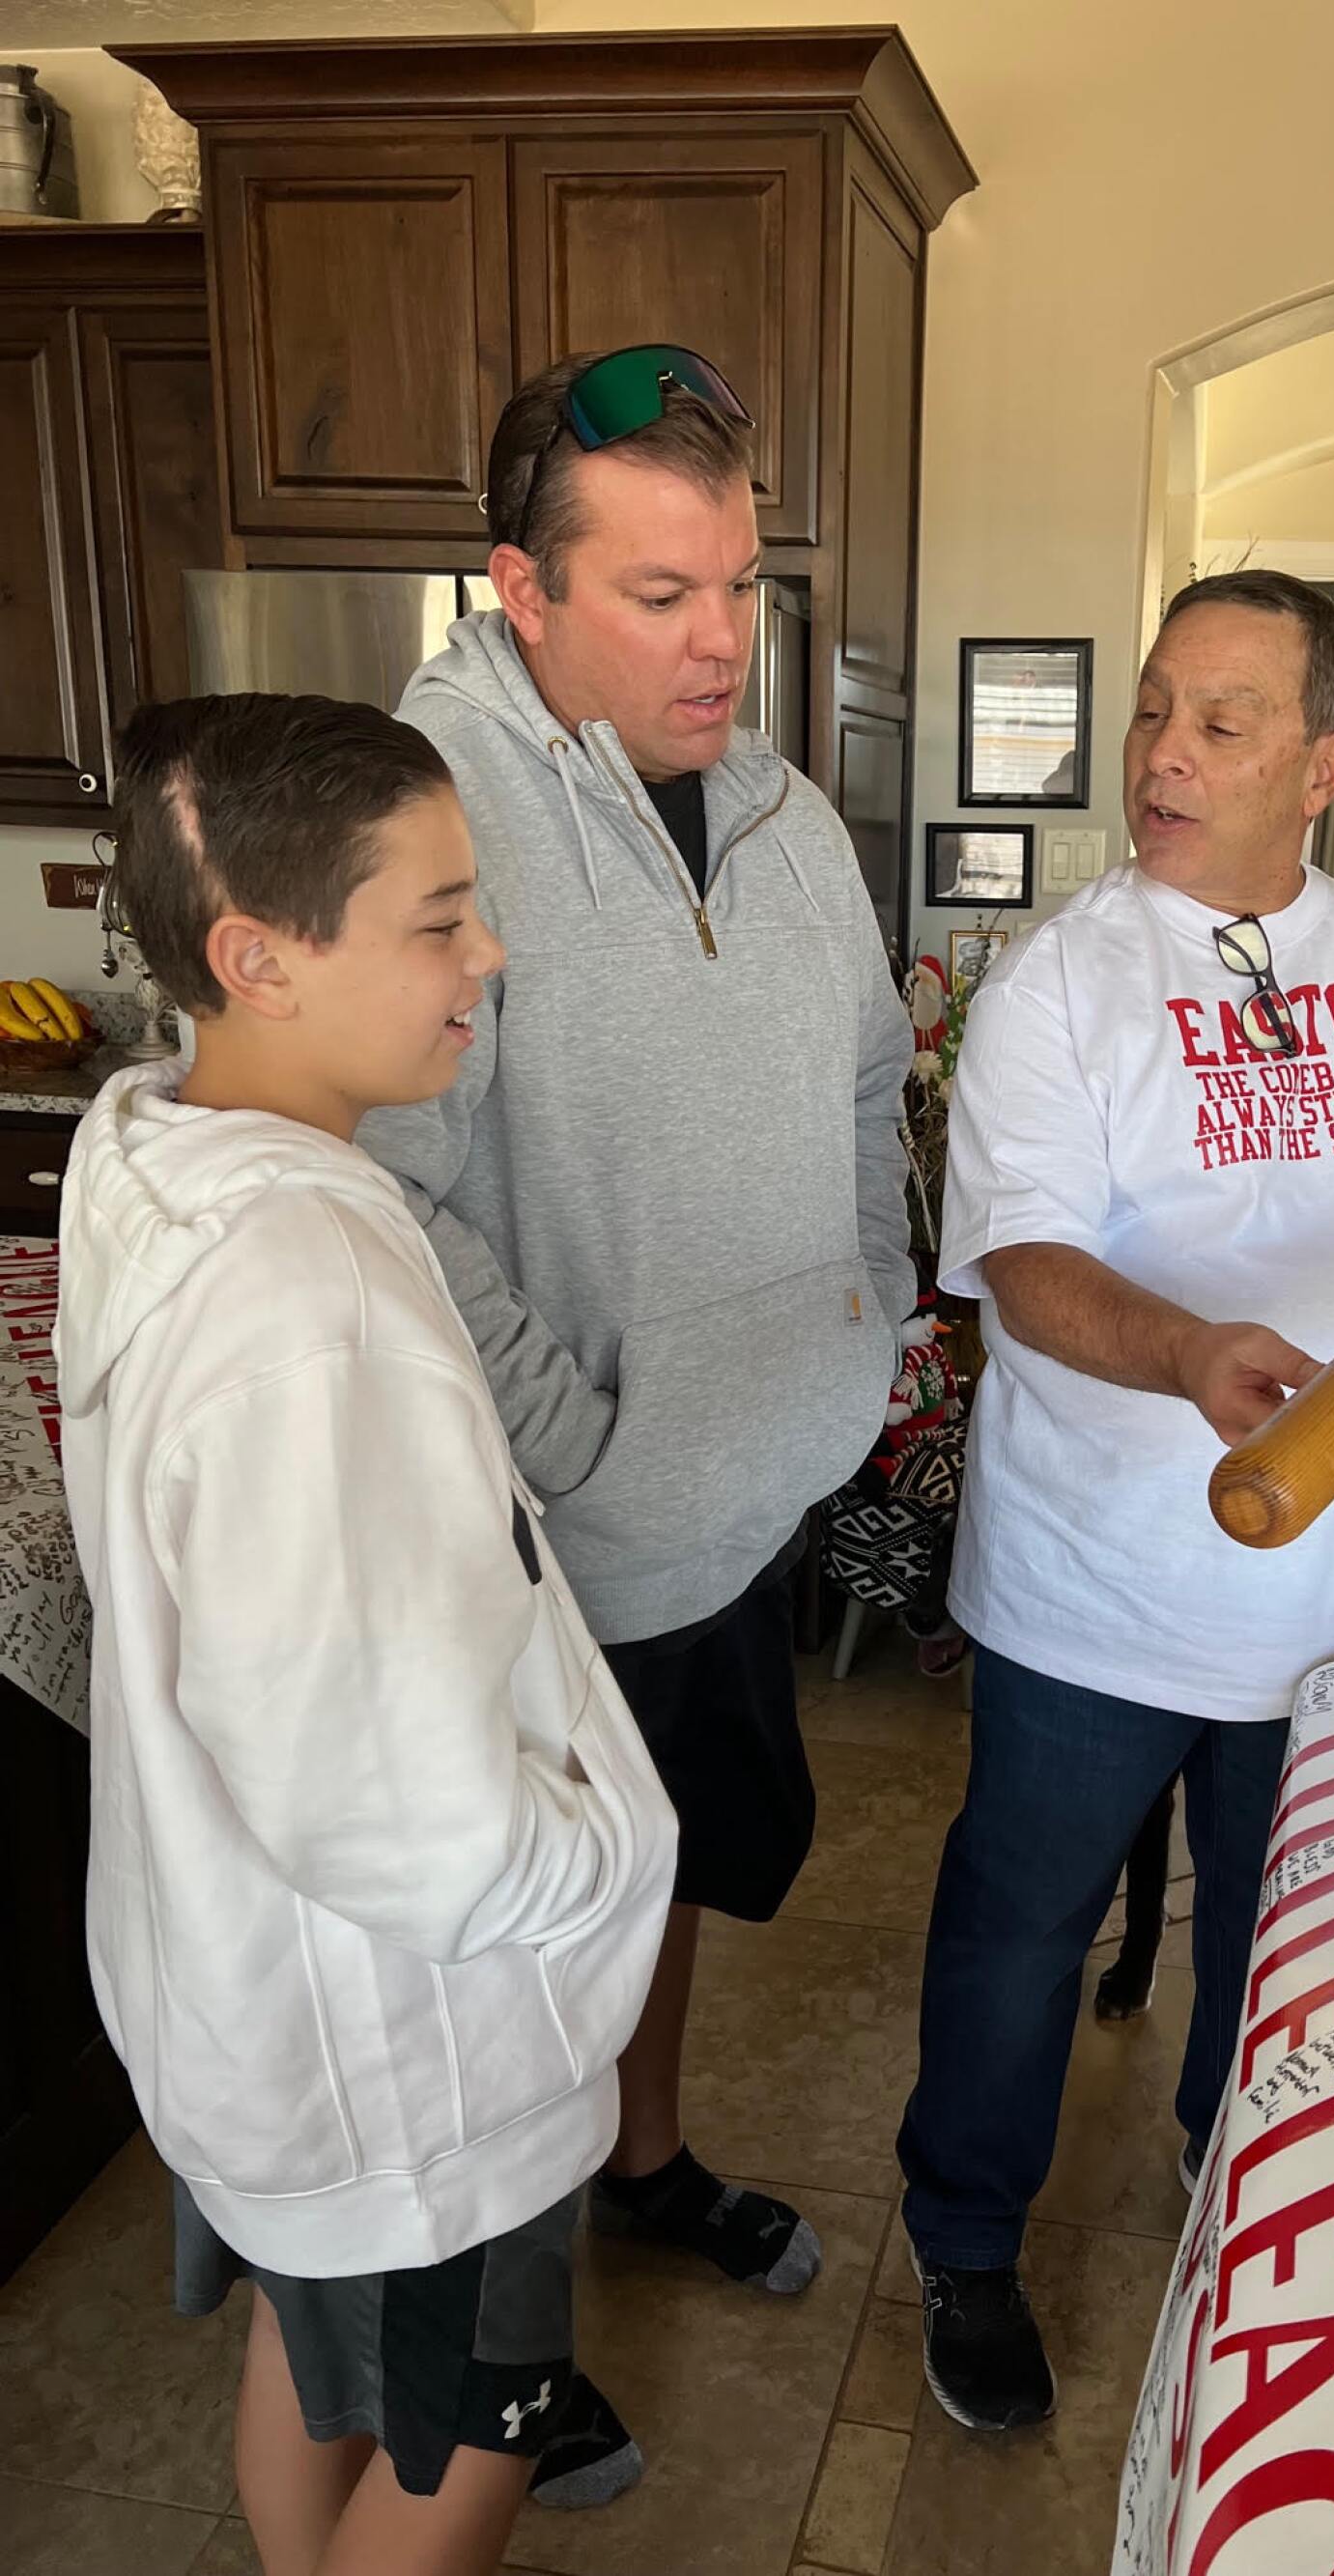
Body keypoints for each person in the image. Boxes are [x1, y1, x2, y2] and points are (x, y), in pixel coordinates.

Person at [896, 570, 1334, 2429]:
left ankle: (1236, 2211)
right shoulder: (1062, 983)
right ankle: (967, 2242)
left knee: (1287, 1941)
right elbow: (1023, 1263)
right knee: (1019, 1926)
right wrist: (1190, 1355)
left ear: (1323, 766)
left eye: (1222, 721)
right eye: (1153, 711)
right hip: (1103, 1584)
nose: (1164, 754)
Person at [56, 694, 680, 2575]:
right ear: (258, 955)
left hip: (275, 2004)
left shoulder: (162, 1151)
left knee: (317, 2356)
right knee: (464, 2442)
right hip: (403, 2044)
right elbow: (383, 1802)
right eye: (435, 916)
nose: (485, 953)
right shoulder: (305, 1300)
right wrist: (596, 1862)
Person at [358, 349, 913, 2337]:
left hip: (739, 1498)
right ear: (522, 590)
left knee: (660, 1879)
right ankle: (491, 2347)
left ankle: (641, 2163)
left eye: (738, 586)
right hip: (545, 1539)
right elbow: (381, 1182)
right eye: (656, 597)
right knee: (506, 1949)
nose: (718, 645)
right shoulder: (418, 815)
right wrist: (577, 1441)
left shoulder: (776, 812)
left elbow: (865, 1082)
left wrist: (862, 1323)